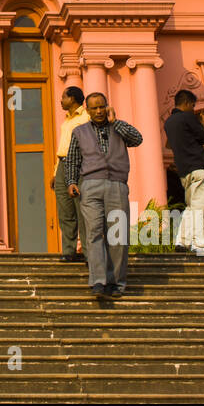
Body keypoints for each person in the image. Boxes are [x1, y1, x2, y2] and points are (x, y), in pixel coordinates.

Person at [62, 92, 143, 299]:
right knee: (94, 233)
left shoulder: (118, 128)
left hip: (117, 184)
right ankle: (98, 281)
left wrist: (116, 122)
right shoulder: (79, 131)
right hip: (90, 186)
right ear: (87, 110)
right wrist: (71, 182)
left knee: (117, 235)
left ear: (107, 107)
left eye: (102, 107)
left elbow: (138, 139)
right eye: (94, 108)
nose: (99, 111)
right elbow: (72, 160)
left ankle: (117, 282)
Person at [164, 90, 204, 256]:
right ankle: (200, 245)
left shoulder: (169, 122)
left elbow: (171, 145)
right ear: (186, 103)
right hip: (199, 166)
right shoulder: (188, 117)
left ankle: (183, 241)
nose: (193, 109)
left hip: (184, 170)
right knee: (201, 205)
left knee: (191, 207)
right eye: (193, 105)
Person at [53, 86, 87, 262]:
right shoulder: (66, 121)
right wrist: (55, 171)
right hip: (62, 164)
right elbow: (63, 146)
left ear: (72, 99)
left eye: (63, 97)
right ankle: (69, 250)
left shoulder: (86, 118)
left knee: (81, 210)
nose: (61, 101)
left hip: (79, 165)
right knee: (65, 211)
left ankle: (88, 251)